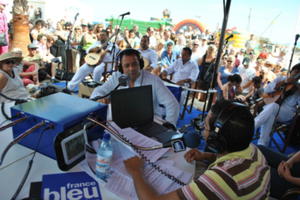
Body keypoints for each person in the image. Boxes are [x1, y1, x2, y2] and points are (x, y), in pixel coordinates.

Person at [124, 100, 270, 200]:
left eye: (205, 127)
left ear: (216, 140)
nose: (202, 130)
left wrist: (136, 172)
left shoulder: (221, 179)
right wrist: (206, 155)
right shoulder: (253, 150)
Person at [90, 48, 179, 126]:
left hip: (150, 122)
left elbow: (172, 104)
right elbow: (99, 91)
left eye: (134, 64)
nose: (131, 68)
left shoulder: (154, 80)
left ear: (140, 64)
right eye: (127, 65)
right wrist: (99, 99)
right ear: (121, 68)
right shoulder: (117, 77)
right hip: (123, 121)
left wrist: (169, 126)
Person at [255, 63, 300, 146]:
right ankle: (262, 143)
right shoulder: (281, 79)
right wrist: (284, 82)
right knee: (271, 113)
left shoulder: (298, 88)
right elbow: (266, 90)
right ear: (291, 71)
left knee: (272, 107)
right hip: (271, 109)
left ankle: (251, 126)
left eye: (299, 73)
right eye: (296, 71)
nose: (297, 74)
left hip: (286, 113)